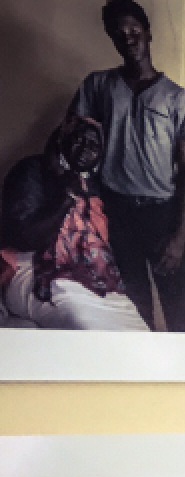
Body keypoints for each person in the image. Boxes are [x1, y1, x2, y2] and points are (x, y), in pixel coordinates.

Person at [69, 0, 185, 332]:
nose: (127, 38)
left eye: (133, 30)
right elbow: (72, 135)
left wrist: (179, 236)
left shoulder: (176, 97)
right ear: (112, 40)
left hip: (162, 217)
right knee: (133, 314)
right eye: (118, 33)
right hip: (117, 215)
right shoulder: (98, 86)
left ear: (148, 33)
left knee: (181, 318)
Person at [0, 115, 150, 331]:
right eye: (78, 140)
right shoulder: (32, 170)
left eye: (94, 145)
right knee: (86, 327)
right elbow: (24, 238)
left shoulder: (95, 187)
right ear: (62, 140)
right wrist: (66, 196)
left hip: (95, 280)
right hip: (38, 274)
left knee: (138, 334)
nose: (86, 149)